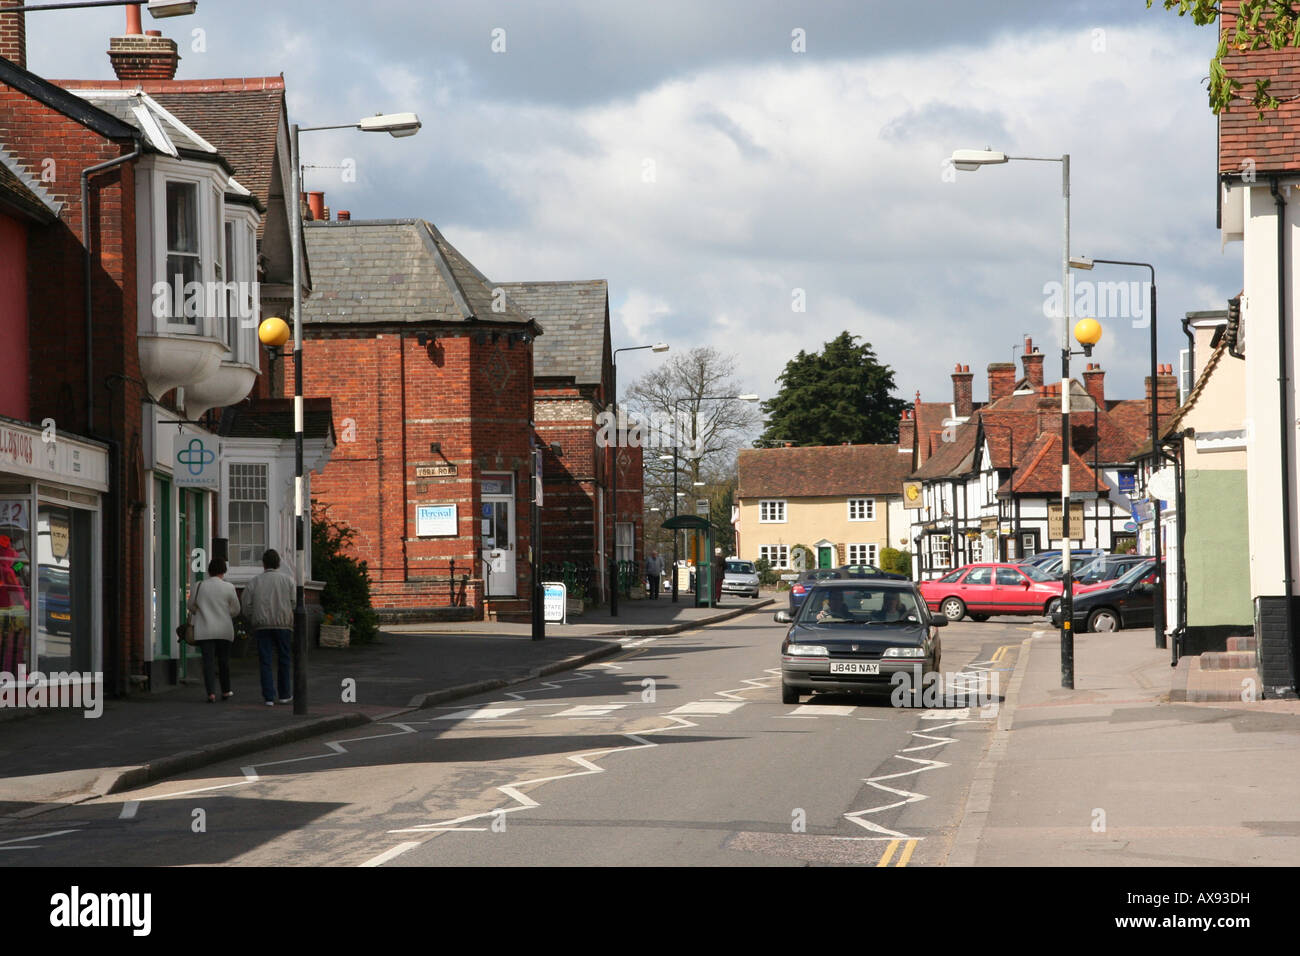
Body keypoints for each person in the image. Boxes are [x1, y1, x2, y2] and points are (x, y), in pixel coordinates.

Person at [241, 548, 295, 706]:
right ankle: (284, 694)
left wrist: (253, 617)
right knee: (284, 659)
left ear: (263, 564)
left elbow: (246, 604)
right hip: (283, 624)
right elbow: (294, 602)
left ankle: (269, 697)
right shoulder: (288, 580)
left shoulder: (255, 582)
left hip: (262, 625)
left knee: (265, 661)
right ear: (278, 563)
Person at [188, 558, 241, 703]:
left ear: (209, 571)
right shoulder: (229, 587)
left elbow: (191, 606)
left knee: (208, 662)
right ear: (223, 571)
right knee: (224, 661)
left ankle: (210, 693)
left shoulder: (199, 586)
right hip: (224, 629)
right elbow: (236, 609)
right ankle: (226, 690)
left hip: (205, 629)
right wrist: (225, 613)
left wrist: (202, 611)